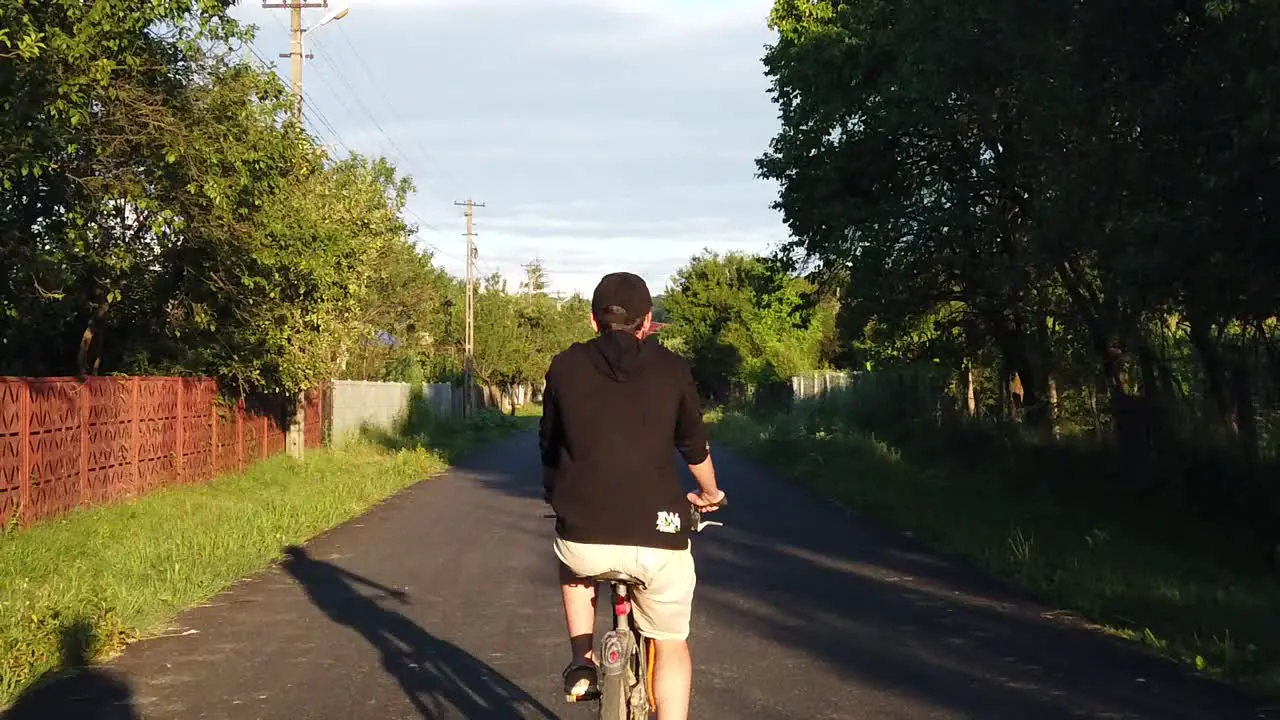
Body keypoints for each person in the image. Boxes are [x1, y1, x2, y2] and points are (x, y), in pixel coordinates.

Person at [539, 271, 725, 720]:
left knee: (574, 562)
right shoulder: (672, 369)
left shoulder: (564, 366)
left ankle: (582, 661)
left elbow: (549, 443)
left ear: (592, 320)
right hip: (658, 538)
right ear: (647, 322)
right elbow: (693, 445)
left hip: (585, 533)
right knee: (670, 642)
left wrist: (558, 497)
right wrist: (710, 492)